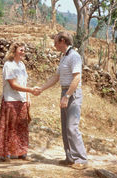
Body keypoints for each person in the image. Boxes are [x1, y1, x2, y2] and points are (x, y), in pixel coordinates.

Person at [37, 32, 88, 170]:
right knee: (65, 127)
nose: (54, 45)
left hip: (72, 93)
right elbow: (56, 77)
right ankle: (70, 158)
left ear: (62, 41)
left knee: (72, 126)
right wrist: (41, 88)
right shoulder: (64, 57)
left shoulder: (74, 56)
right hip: (64, 91)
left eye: (55, 42)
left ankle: (81, 160)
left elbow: (77, 78)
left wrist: (67, 96)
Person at [0, 42, 39, 162]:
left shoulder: (22, 65)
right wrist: (30, 90)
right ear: (14, 51)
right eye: (21, 50)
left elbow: (23, 83)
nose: (23, 52)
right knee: (10, 127)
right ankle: (7, 153)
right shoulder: (9, 65)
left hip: (22, 100)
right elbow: (13, 85)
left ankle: (22, 152)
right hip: (11, 100)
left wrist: (28, 97)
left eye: (24, 50)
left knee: (22, 127)